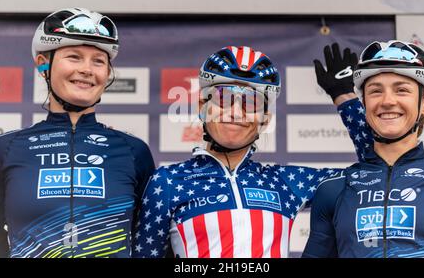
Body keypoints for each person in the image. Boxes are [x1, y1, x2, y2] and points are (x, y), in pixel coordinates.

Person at [132, 45, 372, 258]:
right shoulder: (167, 182)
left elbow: (371, 173)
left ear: (266, 119)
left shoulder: (286, 182)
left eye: (252, 102)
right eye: (224, 98)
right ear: (203, 107)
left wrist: (345, 97)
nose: (236, 112)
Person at [0, 8, 155, 258]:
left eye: (98, 61)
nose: (87, 69)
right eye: (74, 56)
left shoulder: (134, 151)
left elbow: (150, 243)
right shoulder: (7, 148)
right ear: (43, 64)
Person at [302, 40, 424, 258]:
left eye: (402, 90)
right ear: (365, 104)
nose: (388, 101)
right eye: (376, 91)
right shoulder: (334, 189)